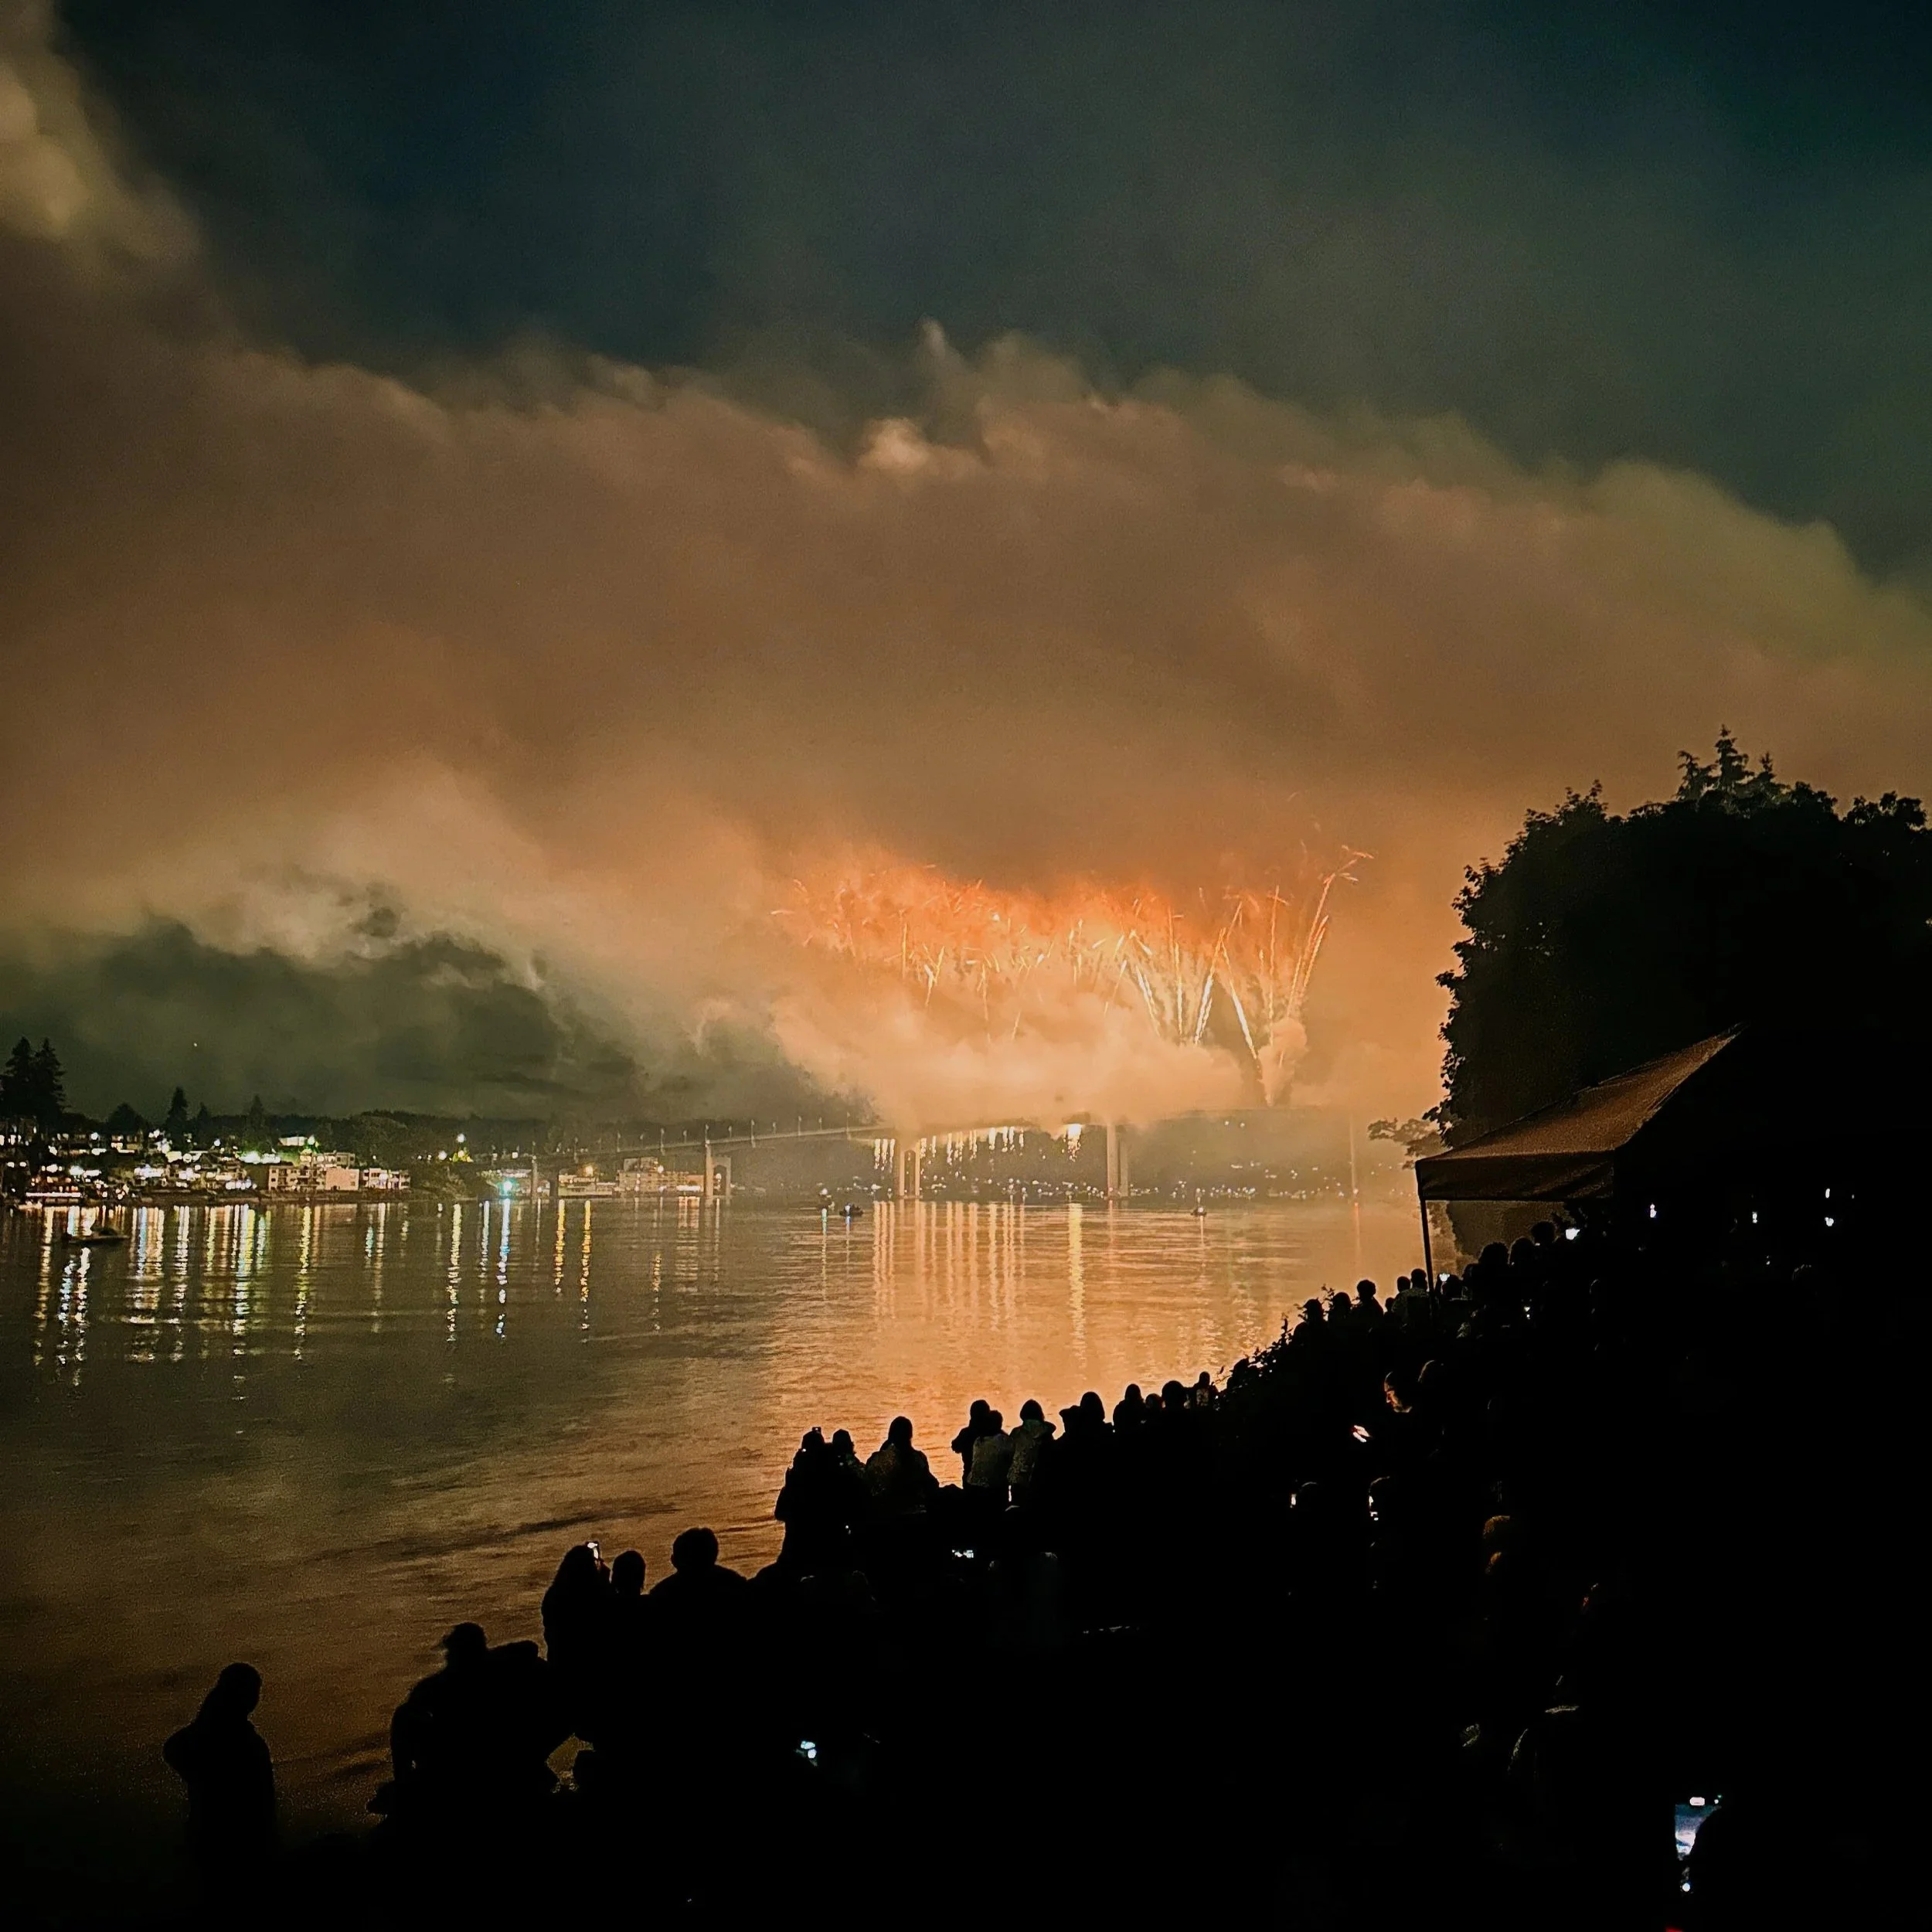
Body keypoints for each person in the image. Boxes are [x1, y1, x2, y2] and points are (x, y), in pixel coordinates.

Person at [164, 1663, 275, 1900]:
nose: (256, 1697)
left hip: (212, 1836)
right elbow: (263, 1803)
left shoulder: (216, 1732)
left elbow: (173, 1749)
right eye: (253, 1691)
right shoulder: (239, 1740)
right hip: (234, 1841)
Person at [866, 1415, 939, 1515]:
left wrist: (883, 1449)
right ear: (910, 1435)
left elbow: (870, 1477)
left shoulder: (883, 1459)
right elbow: (932, 1484)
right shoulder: (919, 1458)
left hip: (891, 1512)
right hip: (916, 1510)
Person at [1007, 1398, 1056, 1504]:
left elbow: (1008, 1454)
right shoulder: (1046, 1433)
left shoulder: (1016, 1433)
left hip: (1017, 1481)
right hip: (1037, 1482)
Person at [951, 1399, 995, 1481]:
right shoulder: (992, 1432)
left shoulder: (965, 1433)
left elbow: (955, 1446)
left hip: (969, 1477)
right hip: (990, 1479)